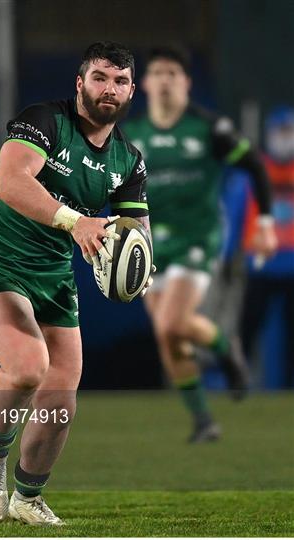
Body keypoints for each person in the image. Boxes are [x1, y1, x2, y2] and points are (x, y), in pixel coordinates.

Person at [0, 41, 152, 525]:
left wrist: (139, 266)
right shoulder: (44, 120)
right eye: (101, 77)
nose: (110, 89)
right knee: (27, 367)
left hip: (53, 275)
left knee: (62, 394)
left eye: (121, 81)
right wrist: (75, 221)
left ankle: (28, 498)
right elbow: (11, 181)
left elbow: (137, 231)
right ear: (80, 82)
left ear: (131, 91)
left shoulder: (128, 160)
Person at [123, 45, 277, 443]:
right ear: (145, 84)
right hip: (151, 243)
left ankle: (225, 350)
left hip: (198, 237)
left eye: (174, 73)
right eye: (158, 73)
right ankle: (204, 418)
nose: (166, 80)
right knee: (167, 335)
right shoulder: (132, 135)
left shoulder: (210, 128)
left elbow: (256, 167)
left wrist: (263, 224)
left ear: (187, 83)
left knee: (173, 322)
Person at [239, 106, 294, 386]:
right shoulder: (255, 169)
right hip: (260, 263)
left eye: (289, 132)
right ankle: (237, 384)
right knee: (248, 327)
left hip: (292, 265)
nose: (284, 138)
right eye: (280, 132)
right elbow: (236, 210)